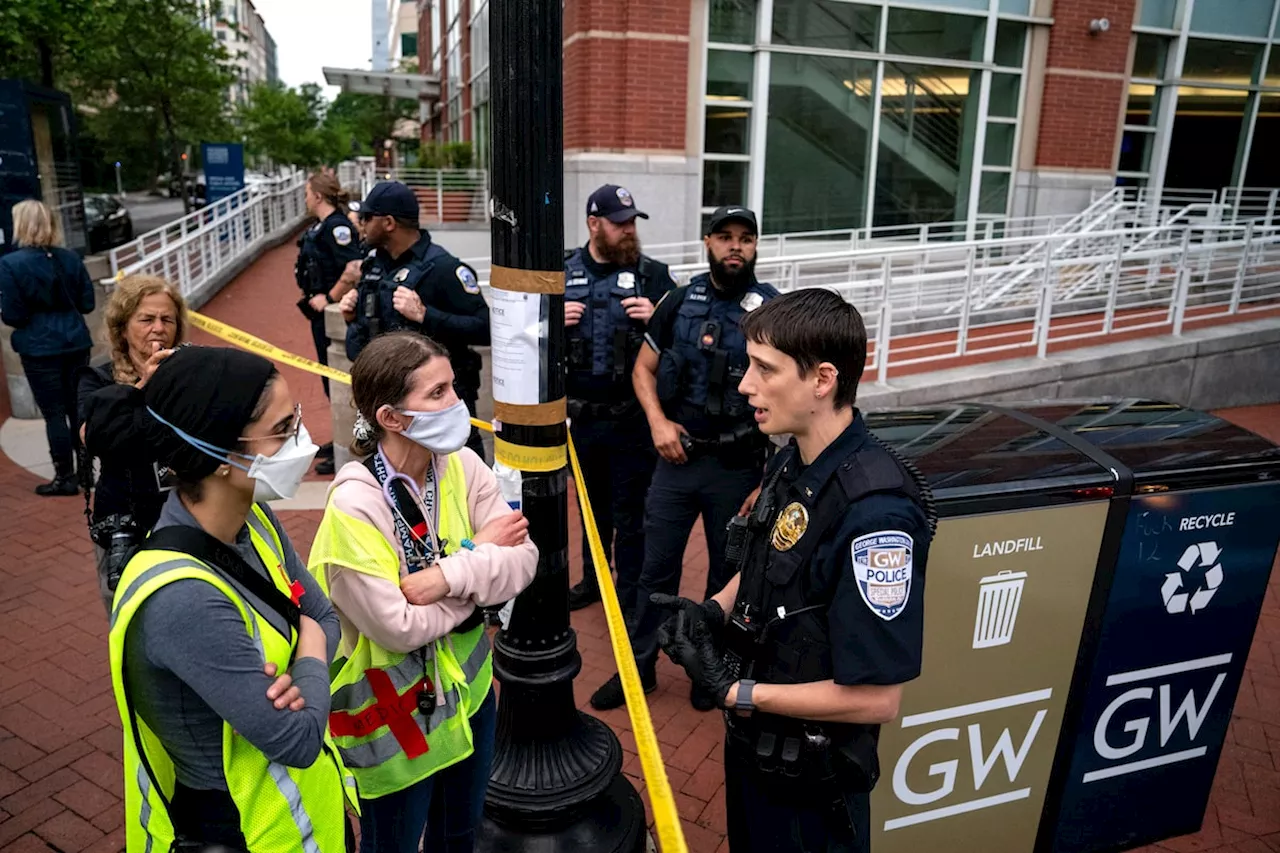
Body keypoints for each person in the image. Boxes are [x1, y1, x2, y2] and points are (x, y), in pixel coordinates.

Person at [654, 288, 936, 853]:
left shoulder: (876, 514)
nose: (744, 385)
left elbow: (878, 699)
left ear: (822, 379)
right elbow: (767, 561)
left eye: (764, 368)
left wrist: (737, 691)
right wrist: (711, 611)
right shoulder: (792, 456)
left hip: (814, 783)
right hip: (757, 753)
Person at [88, 346, 358, 852]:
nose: (302, 441)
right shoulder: (183, 597)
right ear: (216, 454)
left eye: (295, 419)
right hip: (238, 827)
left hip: (298, 815)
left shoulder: (252, 518)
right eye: (282, 430)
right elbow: (296, 739)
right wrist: (313, 647)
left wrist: (307, 649)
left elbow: (323, 613)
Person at [308, 331, 537, 853]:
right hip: (394, 717)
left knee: (459, 834)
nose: (457, 404)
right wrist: (481, 566)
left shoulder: (460, 464)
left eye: (453, 387)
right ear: (391, 418)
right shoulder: (354, 506)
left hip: (469, 697)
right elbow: (398, 627)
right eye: (437, 394)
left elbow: (525, 559)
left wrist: (443, 579)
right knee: (393, 843)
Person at [591, 205, 778, 712]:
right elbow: (643, 369)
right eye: (725, 237)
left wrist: (772, 478)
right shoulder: (678, 301)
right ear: (708, 242)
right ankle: (640, 669)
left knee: (724, 577)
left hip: (737, 468)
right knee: (655, 572)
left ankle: (709, 671)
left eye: (745, 238)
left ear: (756, 246)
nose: (735, 246)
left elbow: (790, 397)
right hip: (676, 462)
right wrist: (656, 421)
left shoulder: (773, 311)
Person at [563, 185, 676, 612]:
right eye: (619, 222)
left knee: (633, 515)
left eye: (632, 222)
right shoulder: (559, 272)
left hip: (633, 421)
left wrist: (658, 319)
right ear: (594, 224)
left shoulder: (655, 276)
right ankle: (594, 580)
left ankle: (630, 592)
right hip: (583, 422)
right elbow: (522, 341)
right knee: (591, 511)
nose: (629, 230)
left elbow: (682, 350)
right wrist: (549, 321)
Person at [340, 181, 489, 461]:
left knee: (459, 486)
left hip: (439, 412)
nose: (361, 224)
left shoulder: (444, 268)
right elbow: (364, 346)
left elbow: (485, 328)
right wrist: (351, 319)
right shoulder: (374, 266)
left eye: (367, 218)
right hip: (389, 412)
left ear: (388, 223)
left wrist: (425, 316)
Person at [78, 274, 188, 614]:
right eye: (146, 319)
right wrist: (143, 385)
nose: (158, 328)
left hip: (186, 513)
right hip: (125, 521)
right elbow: (90, 436)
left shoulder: (191, 372)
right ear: (122, 327)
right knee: (131, 616)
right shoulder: (97, 379)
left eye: (167, 319)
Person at [0, 199, 96, 496]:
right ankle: (86, 473)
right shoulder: (70, 258)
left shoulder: (11, 264)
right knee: (76, 409)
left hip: (39, 348)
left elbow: (13, 315)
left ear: (21, 225)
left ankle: (64, 478)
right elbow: (87, 303)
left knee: (54, 413)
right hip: (75, 341)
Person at [296, 172, 364, 474]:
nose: (306, 198)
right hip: (317, 313)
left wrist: (330, 296)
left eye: (308, 193)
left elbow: (354, 267)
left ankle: (351, 443)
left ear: (319, 196)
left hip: (334, 311)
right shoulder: (321, 227)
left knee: (338, 378)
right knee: (327, 377)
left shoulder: (338, 227)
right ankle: (338, 437)